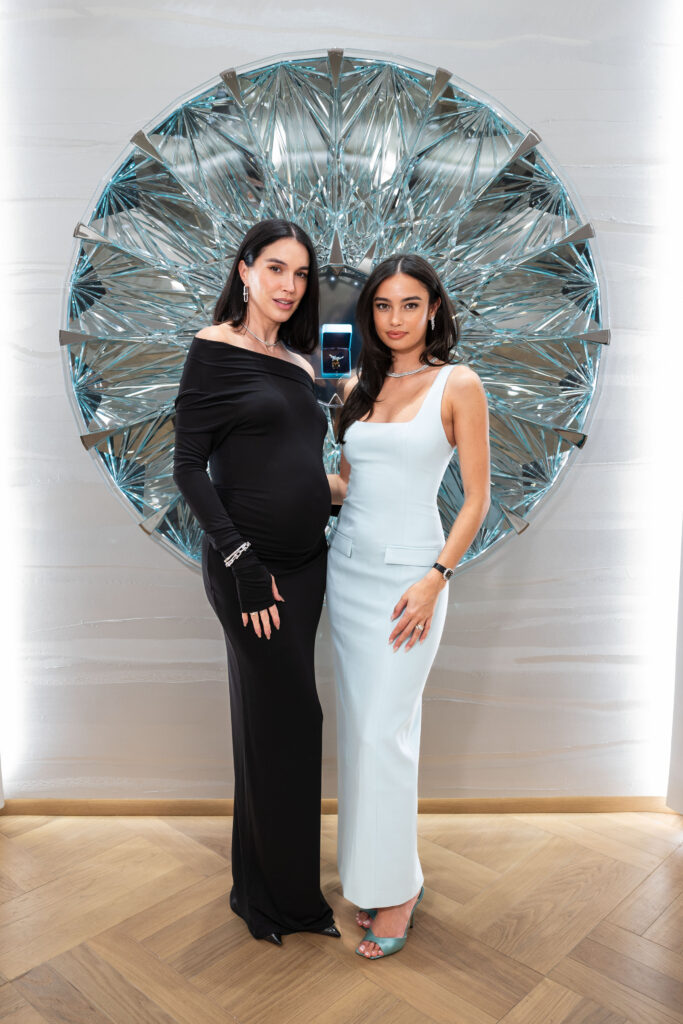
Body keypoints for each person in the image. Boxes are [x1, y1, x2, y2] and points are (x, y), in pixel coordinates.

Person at [173, 219, 339, 946]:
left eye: (300, 274)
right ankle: (279, 902)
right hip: (251, 569)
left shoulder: (300, 363)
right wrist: (241, 562)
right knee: (289, 721)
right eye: (275, 268)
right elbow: (187, 468)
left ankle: (265, 888)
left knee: (272, 724)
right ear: (244, 271)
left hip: (307, 568)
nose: (288, 285)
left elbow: (298, 463)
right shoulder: (213, 350)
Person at [326, 253, 490, 959]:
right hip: (347, 575)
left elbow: (477, 498)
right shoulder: (355, 385)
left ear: (433, 309)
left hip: (410, 583)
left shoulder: (459, 383)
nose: (396, 319)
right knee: (359, 731)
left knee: (383, 733)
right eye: (383, 306)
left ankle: (398, 890)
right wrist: (276, 477)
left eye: (410, 305)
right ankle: (369, 877)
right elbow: (347, 485)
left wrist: (436, 578)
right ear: (370, 312)